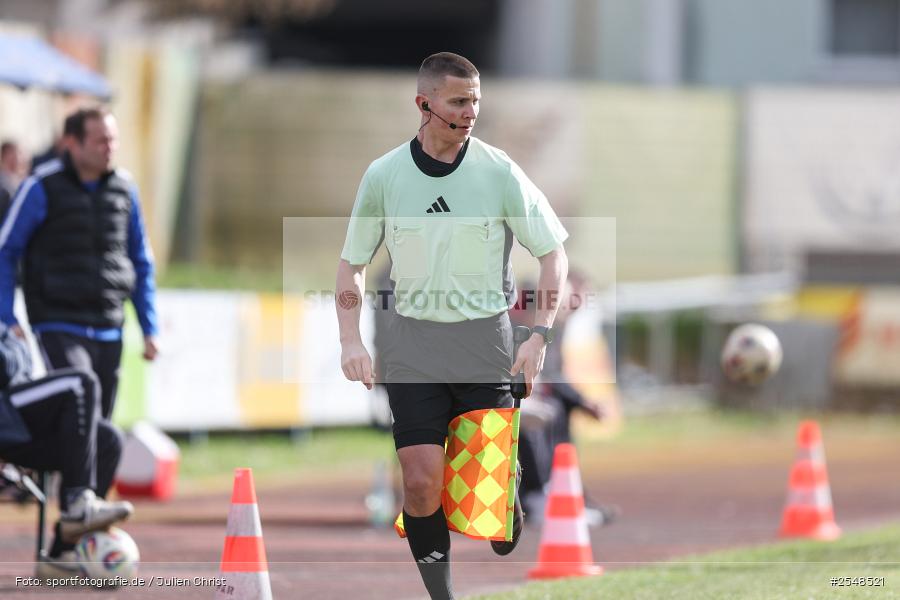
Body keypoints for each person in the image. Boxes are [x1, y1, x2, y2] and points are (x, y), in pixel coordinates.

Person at [336, 52, 569, 600]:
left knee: (490, 509)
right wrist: (350, 339)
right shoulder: (384, 175)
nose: (471, 112)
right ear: (424, 105)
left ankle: (504, 488)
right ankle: (442, 595)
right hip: (411, 345)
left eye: (476, 101)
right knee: (420, 484)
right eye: (459, 102)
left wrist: (539, 337)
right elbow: (352, 263)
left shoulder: (499, 170)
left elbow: (552, 254)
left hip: (484, 340)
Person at [0, 107, 159, 420]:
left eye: (112, 140)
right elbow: (6, 251)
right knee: (80, 412)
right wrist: (6, 315)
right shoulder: (40, 187)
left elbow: (141, 261)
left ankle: (78, 471)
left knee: (101, 425)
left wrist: (149, 328)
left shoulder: (125, 189)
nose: (109, 148)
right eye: (100, 140)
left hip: (110, 325)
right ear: (72, 143)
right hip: (57, 321)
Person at [0, 321, 133, 579]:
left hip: (15, 418)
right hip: (6, 414)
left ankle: (64, 553)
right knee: (79, 383)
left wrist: (13, 345)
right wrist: (13, 346)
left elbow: (18, 367)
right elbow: (6, 369)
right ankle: (77, 502)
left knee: (109, 440)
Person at [0, 140, 26, 219]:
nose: (18, 157)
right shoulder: (3, 182)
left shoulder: (22, 179)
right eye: (14, 153)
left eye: (19, 153)